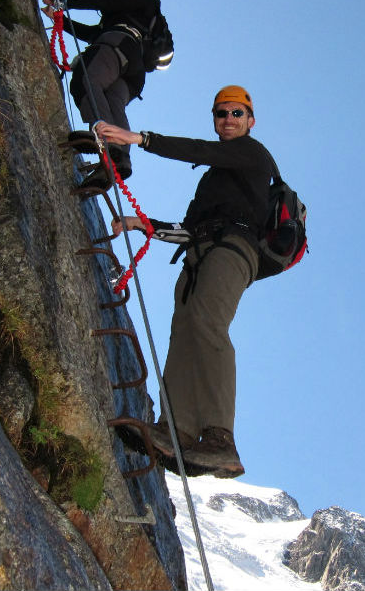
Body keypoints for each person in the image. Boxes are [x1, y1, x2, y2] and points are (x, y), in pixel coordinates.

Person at [95, 85, 275, 478]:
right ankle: (174, 428)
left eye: (236, 114)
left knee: (208, 325)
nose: (227, 120)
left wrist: (140, 139)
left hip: (232, 251)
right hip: (201, 252)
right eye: (221, 114)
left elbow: (201, 150)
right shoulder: (213, 180)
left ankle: (219, 438)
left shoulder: (253, 155)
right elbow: (188, 230)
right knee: (184, 330)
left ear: (250, 121)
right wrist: (145, 226)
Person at [41, 0, 168, 181]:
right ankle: (118, 157)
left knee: (85, 81)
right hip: (133, 70)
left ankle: (104, 138)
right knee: (111, 102)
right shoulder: (140, 13)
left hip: (118, 45)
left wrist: (64, 1)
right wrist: (61, 21)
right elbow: (93, 33)